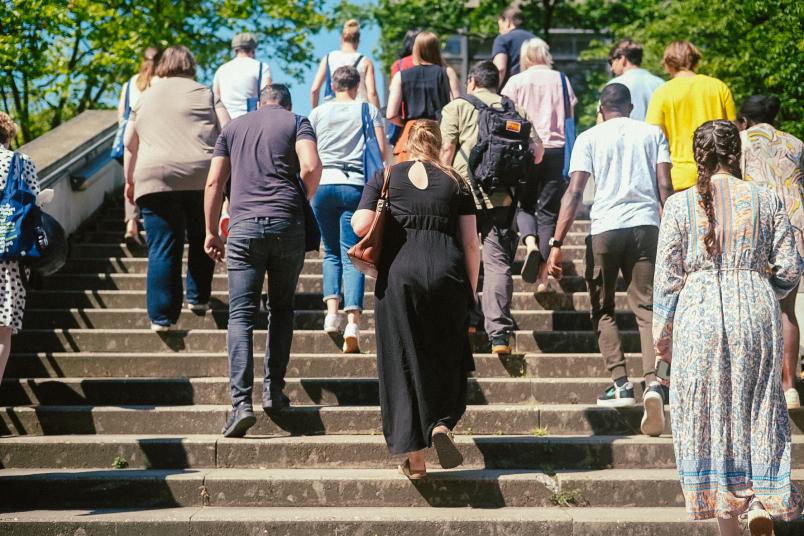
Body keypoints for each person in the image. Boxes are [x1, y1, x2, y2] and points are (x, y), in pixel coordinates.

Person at [653, 120, 803, 534]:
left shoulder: (679, 205)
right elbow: (791, 268)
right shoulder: (767, 199)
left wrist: (661, 338)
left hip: (698, 311)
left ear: (698, 156)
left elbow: (666, 280)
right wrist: (760, 288)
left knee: (708, 415)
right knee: (757, 407)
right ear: (736, 154)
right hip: (755, 306)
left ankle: (727, 518)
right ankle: (759, 497)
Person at [352, 120, 480, 479]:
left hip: (399, 275)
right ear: (440, 146)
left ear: (406, 145)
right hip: (448, 272)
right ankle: (441, 423)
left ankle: (416, 458)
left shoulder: (387, 176)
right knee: (444, 353)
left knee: (402, 360)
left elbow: (360, 226)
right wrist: (469, 292)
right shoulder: (457, 181)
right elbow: (471, 242)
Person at [546, 84, 674, 435]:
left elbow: (574, 192)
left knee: (603, 308)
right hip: (646, 227)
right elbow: (665, 185)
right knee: (646, 308)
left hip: (604, 228)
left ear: (601, 108)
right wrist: (676, 228)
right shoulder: (652, 134)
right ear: (630, 106)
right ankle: (653, 383)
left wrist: (556, 242)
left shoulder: (589, 137)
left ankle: (620, 383)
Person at [204, 84, 322, 438]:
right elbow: (312, 165)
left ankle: (241, 404)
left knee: (240, 315)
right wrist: (301, 198)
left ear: (260, 103)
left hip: (243, 228)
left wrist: (211, 231)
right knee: (282, 309)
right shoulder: (298, 121)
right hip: (287, 225)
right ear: (287, 104)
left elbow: (213, 183)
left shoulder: (233, 128)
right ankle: (274, 391)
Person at [440, 60, 543, 355]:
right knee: (498, 264)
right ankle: (499, 335)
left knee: (461, 257)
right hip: (503, 197)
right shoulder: (514, 109)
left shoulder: (457, 107)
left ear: (472, 81)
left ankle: (465, 322)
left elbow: (446, 150)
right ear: (496, 83)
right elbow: (537, 153)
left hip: (464, 194)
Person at [124, 45, 230, 331]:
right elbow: (229, 131)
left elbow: (128, 144)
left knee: (162, 246)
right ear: (190, 65)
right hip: (202, 177)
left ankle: (162, 317)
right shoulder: (206, 93)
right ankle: (198, 298)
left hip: (154, 178)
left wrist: (129, 181)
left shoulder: (144, 98)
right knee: (201, 236)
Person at [309, 66, 387, 353]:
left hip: (324, 186)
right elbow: (382, 151)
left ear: (332, 84)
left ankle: (331, 313)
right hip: (356, 187)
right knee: (352, 252)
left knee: (329, 250)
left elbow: (308, 152)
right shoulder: (368, 110)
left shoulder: (317, 113)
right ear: (358, 85)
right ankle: (353, 321)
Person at [738, 94, 804, 410]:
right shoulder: (796, 144)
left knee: (753, 308)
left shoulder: (740, 142)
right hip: (795, 227)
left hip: (757, 227)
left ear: (745, 120)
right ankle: (789, 387)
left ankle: (756, 383)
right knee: (786, 310)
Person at [502, 37, 576, 291]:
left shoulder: (516, 81)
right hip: (556, 150)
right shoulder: (561, 79)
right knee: (547, 213)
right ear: (546, 54)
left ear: (524, 57)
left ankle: (530, 243)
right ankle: (543, 278)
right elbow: (569, 115)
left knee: (523, 204)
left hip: (525, 149)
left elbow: (505, 116)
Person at [646, 41, 736, 191]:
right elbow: (734, 134)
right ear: (695, 60)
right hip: (719, 174)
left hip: (680, 178)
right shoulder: (719, 87)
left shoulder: (662, 93)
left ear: (668, 64)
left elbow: (653, 139)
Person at [0, 112, 40, 382]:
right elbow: (34, 204)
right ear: (8, 135)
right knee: (2, 333)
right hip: (8, 256)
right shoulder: (19, 162)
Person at [386, 32, 462, 162]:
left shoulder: (401, 76)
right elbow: (458, 107)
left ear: (416, 50)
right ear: (437, 49)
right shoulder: (447, 73)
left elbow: (391, 114)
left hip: (411, 134)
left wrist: (406, 123)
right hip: (440, 133)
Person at [117, 46, 161, 245]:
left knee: (131, 181)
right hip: (154, 139)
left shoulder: (129, 83)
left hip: (132, 139)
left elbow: (121, 116)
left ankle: (131, 225)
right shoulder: (162, 82)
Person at [310, 20, 380, 110]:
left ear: (341, 39)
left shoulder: (328, 58)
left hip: (332, 110)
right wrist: (378, 118)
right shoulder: (365, 61)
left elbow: (314, 89)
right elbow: (372, 93)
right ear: (358, 41)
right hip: (359, 109)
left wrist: (315, 112)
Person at [212, 33, 272, 119]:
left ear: (235, 50)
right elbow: (268, 97)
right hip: (250, 122)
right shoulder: (261, 67)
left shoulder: (221, 69)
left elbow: (215, 99)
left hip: (225, 123)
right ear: (253, 50)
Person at [602, 39, 664, 121]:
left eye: (611, 62)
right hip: (657, 133)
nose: (611, 69)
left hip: (625, 133)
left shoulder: (614, 86)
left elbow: (602, 122)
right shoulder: (661, 83)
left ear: (622, 59)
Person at [492, 6, 535, 88]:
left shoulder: (502, 39)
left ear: (507, 22)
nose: (499, 30)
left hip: (511, 92)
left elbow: (500, 68)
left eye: (500, 26)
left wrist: (493, 91)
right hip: (534, 90)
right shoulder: (536, 39)